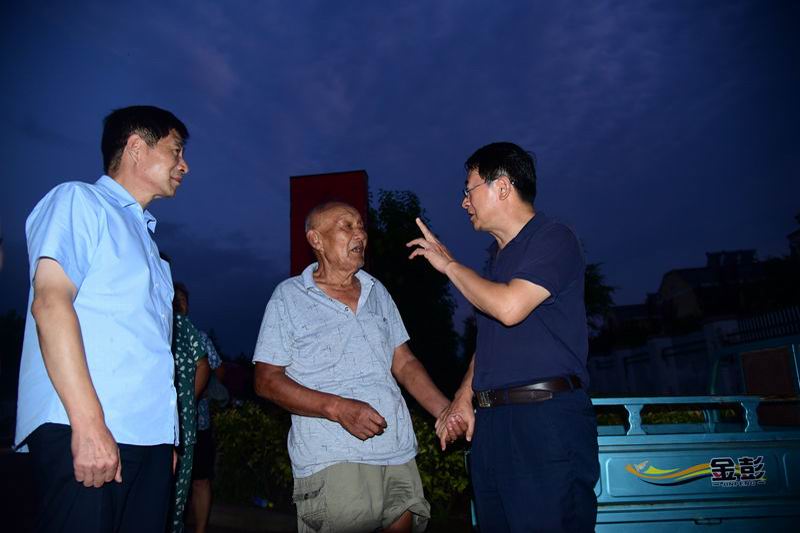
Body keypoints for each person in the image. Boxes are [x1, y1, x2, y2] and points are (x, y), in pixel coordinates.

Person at [15, 105, 190, 532]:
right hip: (87, 428)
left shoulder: (148, 244)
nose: (184, 165)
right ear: (136, 147)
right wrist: (89, 424)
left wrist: (163, 439)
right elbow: (50, 304)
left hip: (145, 441)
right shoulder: (79, 201)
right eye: (176, 151)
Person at [407, 142, 600, 532]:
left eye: (469, 190)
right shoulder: (497, 260)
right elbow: (492, 342)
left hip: (545, 420)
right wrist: (464, 398)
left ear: (503, 186)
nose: (464, 202)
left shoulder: (553, 238)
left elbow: (510, 308)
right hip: (494, 425)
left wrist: (448, 265)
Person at [253, 201, 451, 533]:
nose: (360, 233)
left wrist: (445, 411)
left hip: (397, 451)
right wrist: (338, 408)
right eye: (346, 226)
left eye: (361, 226)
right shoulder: (288, 297)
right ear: (316, 239)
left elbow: (404, 362)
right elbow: (266, 380)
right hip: (332, 457)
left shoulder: (377, 291)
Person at [170, 282, 210, 533]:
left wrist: (185, 403)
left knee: (185, 488)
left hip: (188, 425)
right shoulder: (155, 319)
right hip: (155, 426)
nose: (180, 303)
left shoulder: (189, 329)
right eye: (177, 299)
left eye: (183, 299)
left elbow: (206, 365)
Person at [189, 328, 224, 533]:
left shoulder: (198, 337)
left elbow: (218, 368)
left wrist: (205, 389)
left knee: (200, 479)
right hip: (165, 426)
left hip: (199, 423)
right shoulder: (160, 329)